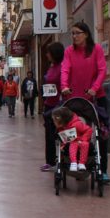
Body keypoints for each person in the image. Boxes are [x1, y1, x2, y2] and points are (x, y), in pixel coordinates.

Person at [60, 21, 110, 182]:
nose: (74, 36)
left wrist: (95, 87)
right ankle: (71, 161)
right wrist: (64, 86)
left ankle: (102, 169)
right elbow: (65, 69)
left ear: (86, 34)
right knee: (72, 130)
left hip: (96, 97)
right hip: (74, 98)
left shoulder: (96, 50)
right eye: (72, 33)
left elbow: (102, 70)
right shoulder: (69, 51)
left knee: (100, 133)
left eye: (77, 33)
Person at [41, 42, 64, 172]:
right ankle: (50, 161)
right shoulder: (52, 66)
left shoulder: (62, 67)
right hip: (48, 104)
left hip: (59, 105)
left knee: (61, 134)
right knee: (49, 135)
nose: (47, 55)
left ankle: (64, 160)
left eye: (49, 52)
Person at [52, 107, 92, 172]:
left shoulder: (77, 124)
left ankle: (82, 163)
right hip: (72, 142)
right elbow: (67, 139)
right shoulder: (62, 128)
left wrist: (83, 139)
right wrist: (63, 145)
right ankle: (74, 163)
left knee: (84, 144)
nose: (54, 123)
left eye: (55, 121)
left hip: (82, 141)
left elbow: (88, 130)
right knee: (73, 144)